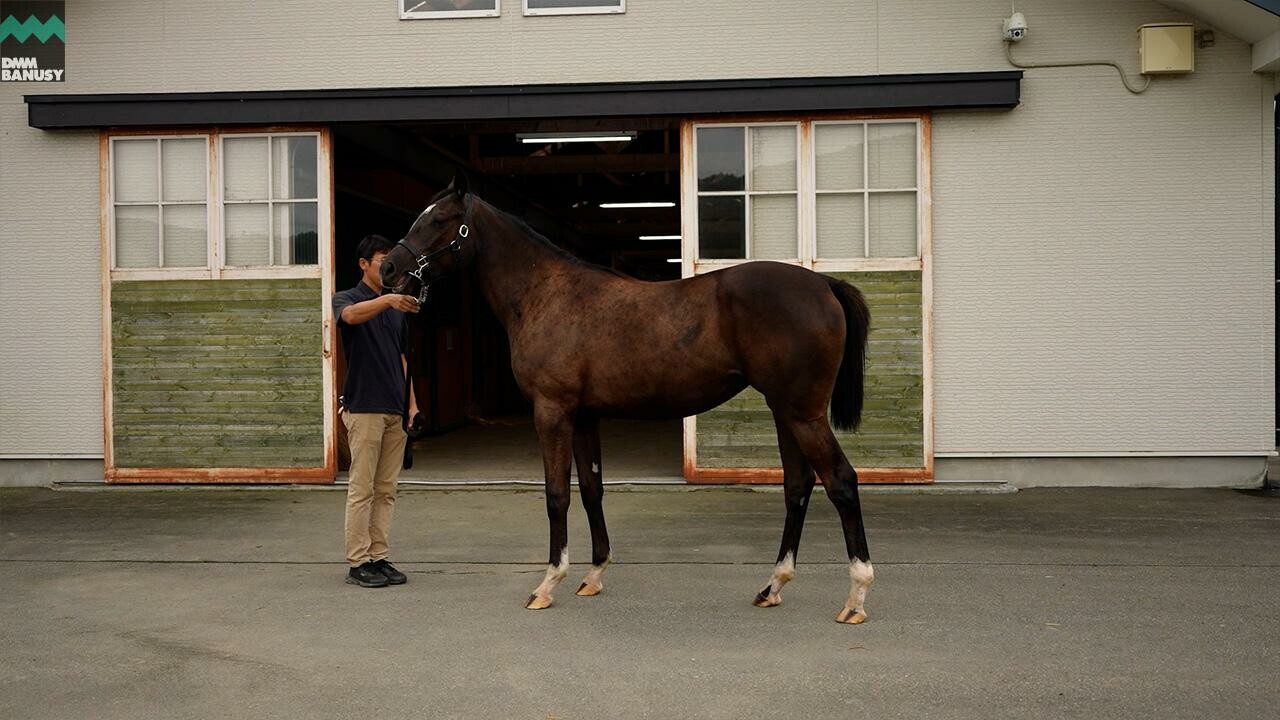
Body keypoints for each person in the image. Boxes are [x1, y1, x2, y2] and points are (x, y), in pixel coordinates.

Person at [332, 234, 421, 588]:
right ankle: (358, 562)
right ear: (363, 264)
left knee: (386, 490)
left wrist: (412, 405)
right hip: (364, 407)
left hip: (394, 409)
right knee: (362, 488)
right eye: (381, 261)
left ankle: (379, 556)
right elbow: (350, 317)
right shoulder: (348, 299)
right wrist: (387, 300)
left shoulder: (394, 310)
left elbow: (402, 360)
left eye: (390, 263)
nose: (386, 268)